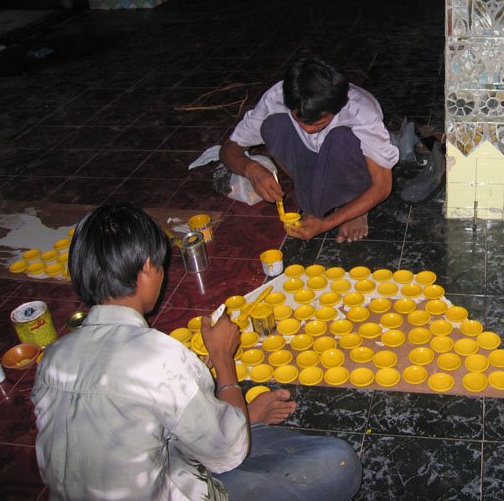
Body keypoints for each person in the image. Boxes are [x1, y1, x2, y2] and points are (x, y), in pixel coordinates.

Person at [31, 202, 362, 500]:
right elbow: (228, 455)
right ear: (147, 268)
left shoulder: (54, 356)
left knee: (214, 430)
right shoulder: (158, 356)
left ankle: (240, 421)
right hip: (169, 488)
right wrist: (222, 358)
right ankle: (239, 422)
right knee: (338, 463)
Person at [220, 53, 398, 242]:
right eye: (299, 119)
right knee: (273, 125)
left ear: (337, 107)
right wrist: (252, 170)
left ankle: (354, 208)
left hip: (346, 163)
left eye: (319, 123)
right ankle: (311, 193)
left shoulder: (360, 111)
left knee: (342, 137)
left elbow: (383, 185)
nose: (308, 129)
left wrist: (327, 224)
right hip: (309, 162)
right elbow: (228, 149)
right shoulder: (276, 97)